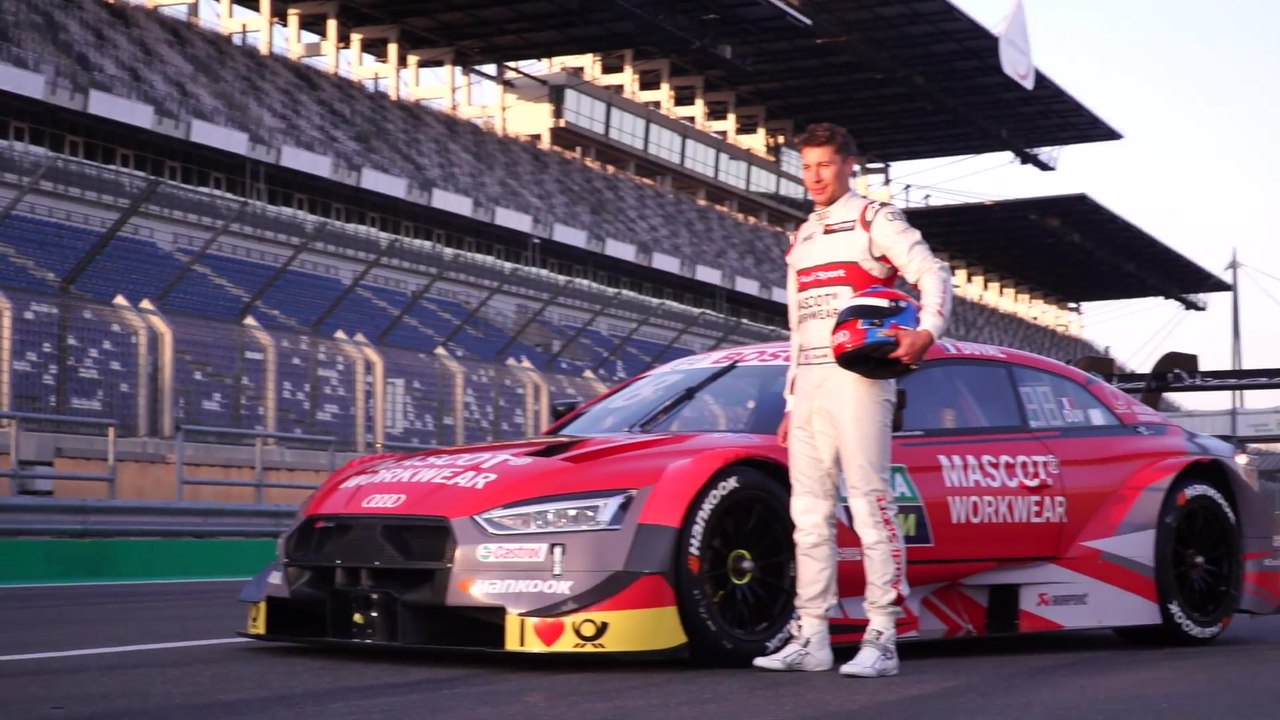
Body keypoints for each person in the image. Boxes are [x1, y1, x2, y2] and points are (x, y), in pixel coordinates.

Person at [753, 123, 953, 677]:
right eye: (806, 166)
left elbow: (933, 272)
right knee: (808, 514)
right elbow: (797, 329)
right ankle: (811, 636)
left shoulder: (874, 217)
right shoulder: (803, 235)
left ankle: (883, 635)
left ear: (848, 166)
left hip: (861, 377)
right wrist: (791, 401)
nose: (814, 177)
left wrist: (926, 332)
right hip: (811, 386)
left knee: (869, 503)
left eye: (824, 165)